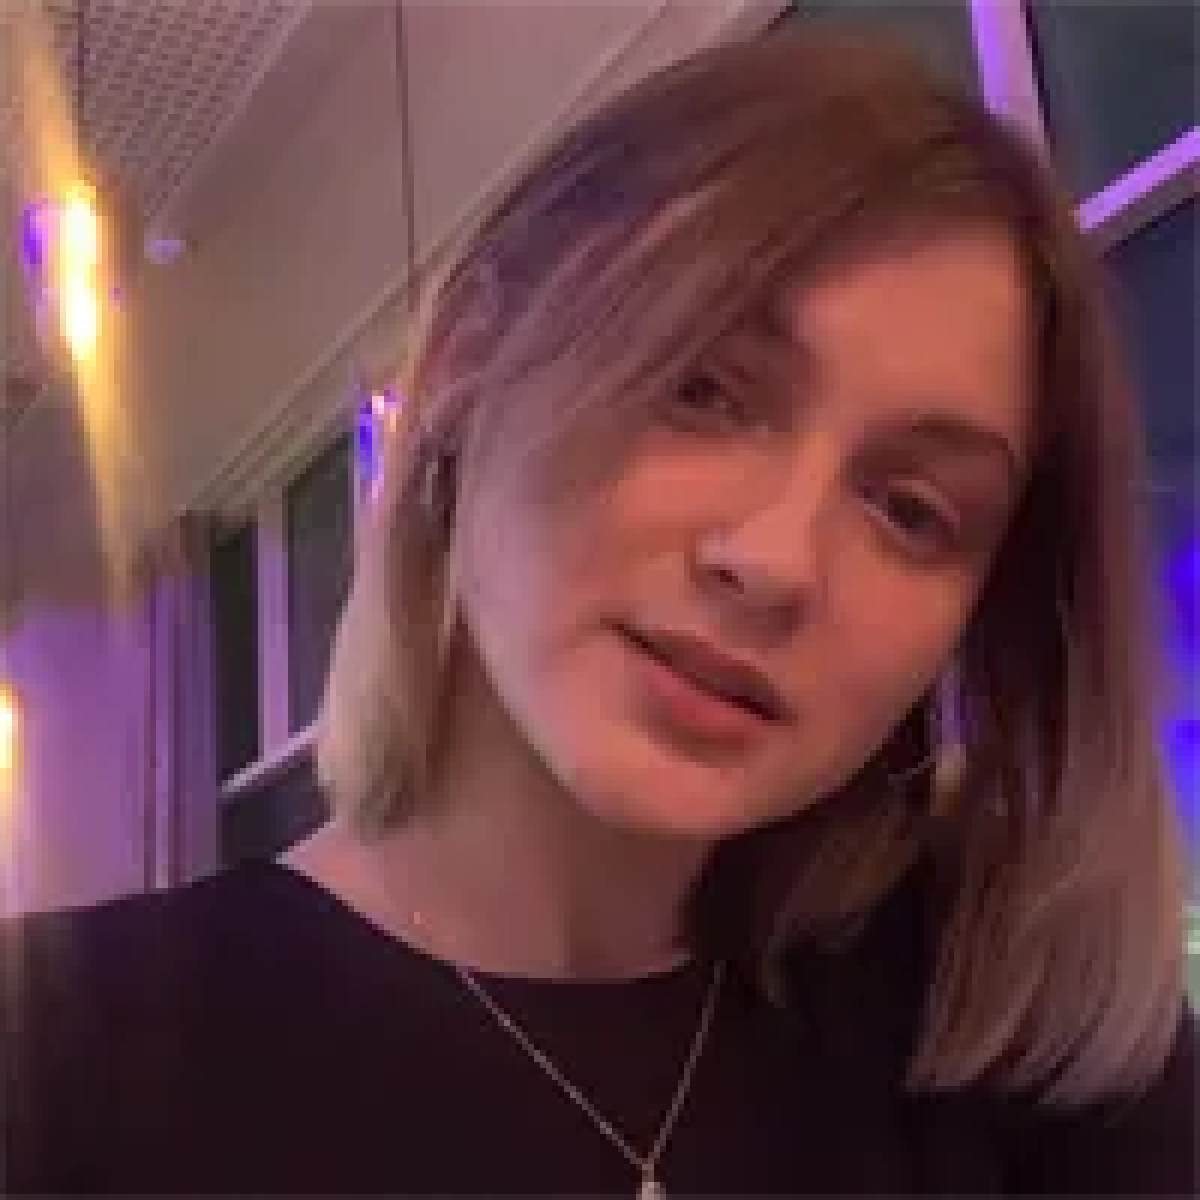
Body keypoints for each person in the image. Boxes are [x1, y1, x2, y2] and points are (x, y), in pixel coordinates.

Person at [3, 30, 1194, 1196]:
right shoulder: (58, 1067)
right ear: (466, 363)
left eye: (911, 510)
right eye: (704, 389)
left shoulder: (1012, 1043)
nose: (777, 562)